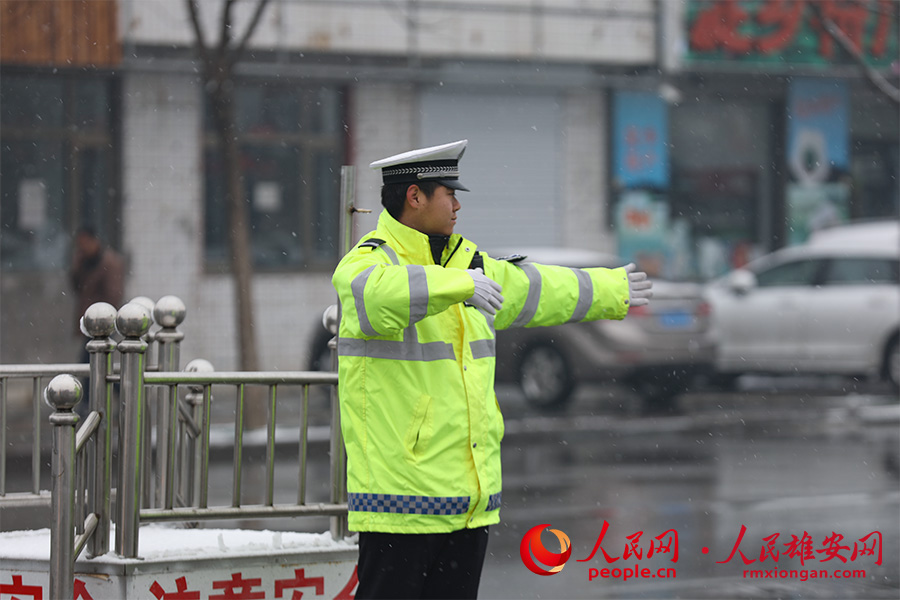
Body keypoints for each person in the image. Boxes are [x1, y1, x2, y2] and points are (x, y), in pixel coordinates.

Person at [331, 140, 652, 599]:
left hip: (468, 502)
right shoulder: (371, 260)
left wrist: (608, 287)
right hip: (400, 504)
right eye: (449, 193)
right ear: (415, 196)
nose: (458, 205)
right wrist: (459, 285)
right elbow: (376, 294)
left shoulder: (469, 262)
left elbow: (538, 288)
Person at [70, 225, 125, 415]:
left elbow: (114, 294)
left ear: (94, 240)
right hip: (89, 322)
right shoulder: (84, 261)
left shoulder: (109, 262)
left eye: (85, 242)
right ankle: (119, 396)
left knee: (92, 363)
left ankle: (91, 402)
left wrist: (102, 316)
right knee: (96, 364)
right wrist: (77, 264)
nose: (83, 247)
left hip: (103, 322)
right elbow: (76, 286)